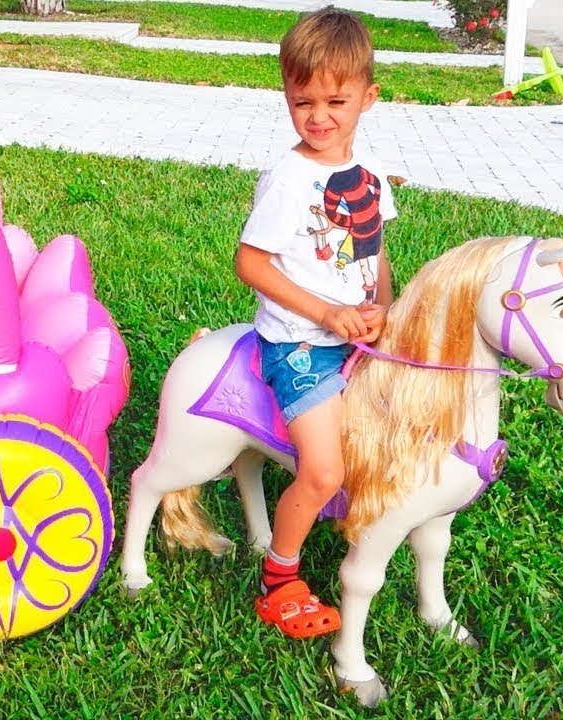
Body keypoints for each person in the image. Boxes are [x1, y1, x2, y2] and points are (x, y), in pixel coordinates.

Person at [234, 8, 396, 638]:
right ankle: (280, 577)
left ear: (368, 97)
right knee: (325, 469)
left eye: (337, 99)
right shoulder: (290, 179)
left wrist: (382, 304)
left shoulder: (371, 177)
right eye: (303, 102)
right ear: (286, 98)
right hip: (299, 345)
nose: (319, 116)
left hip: (356, 337)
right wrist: (328, 313)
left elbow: (373, 254)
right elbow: (250, 262)